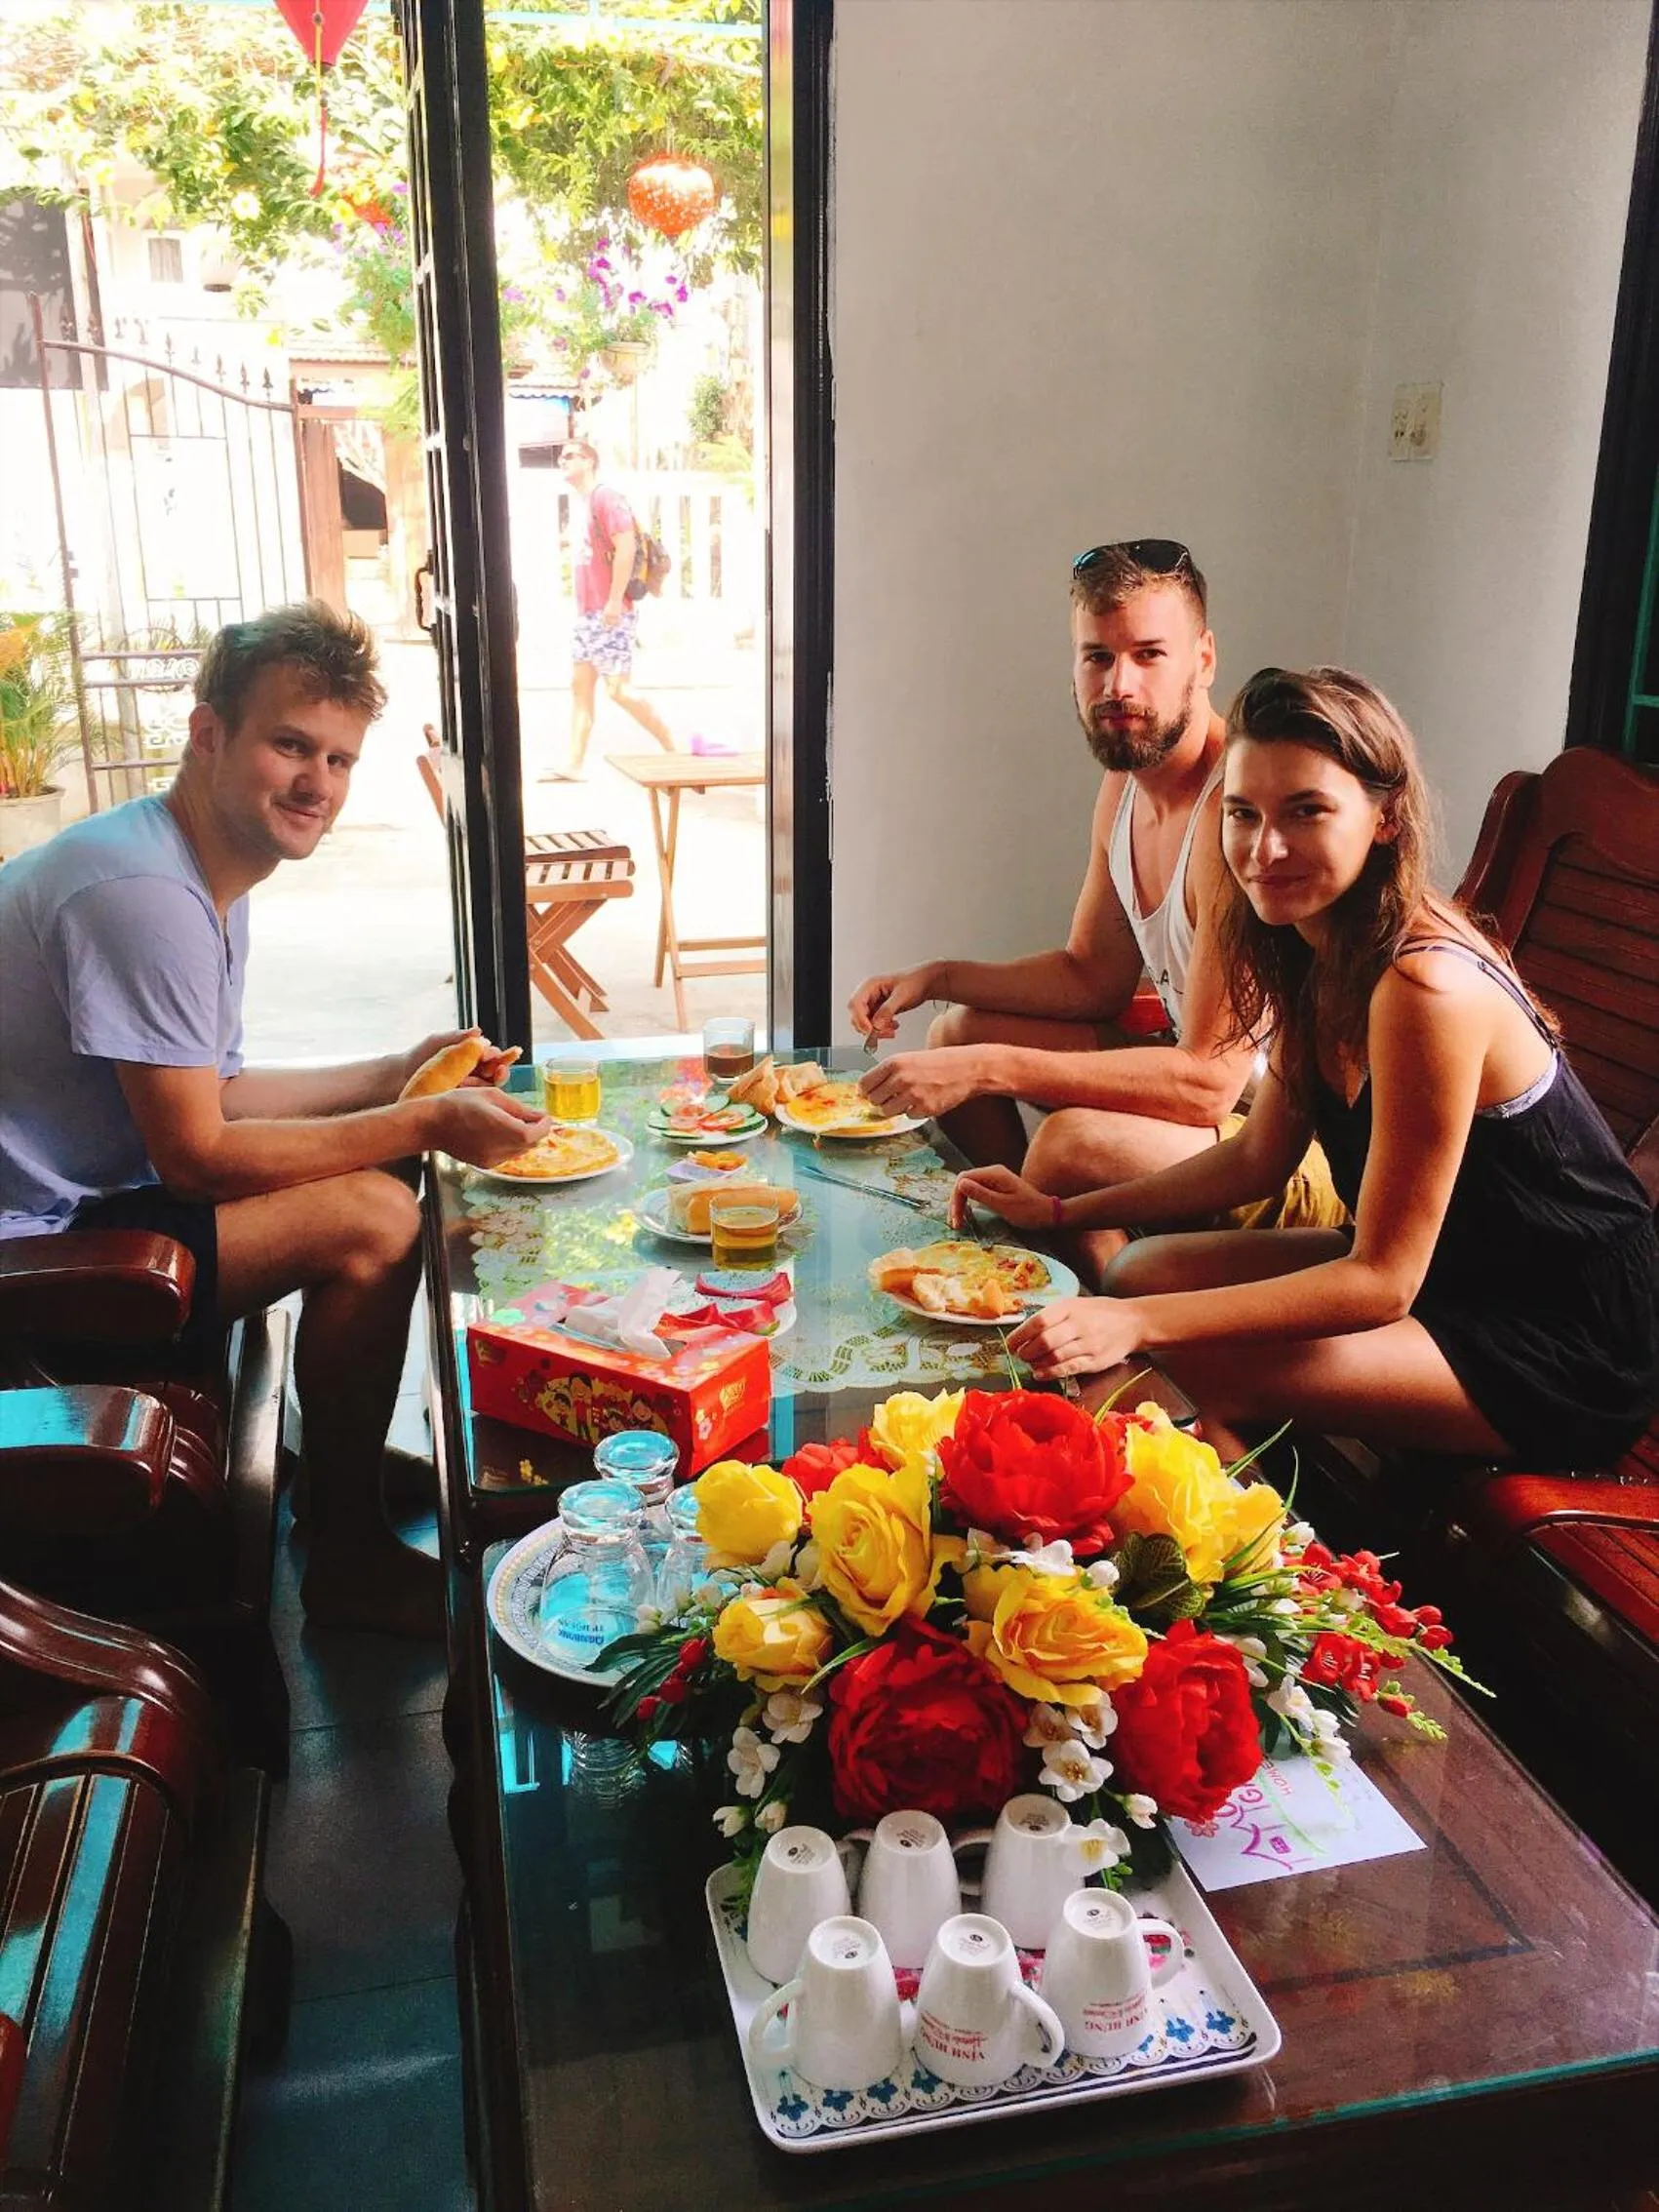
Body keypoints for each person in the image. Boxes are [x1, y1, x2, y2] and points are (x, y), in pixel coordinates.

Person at [0, 602, 552, 1637]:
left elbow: (218, 1093)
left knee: (381, 1185)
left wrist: (400, 1073)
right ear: (209, 735)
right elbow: (201, 1155)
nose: (318, 784)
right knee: (377, 1217)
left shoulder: (196, 865)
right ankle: (343, 1553)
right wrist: (421, 1123)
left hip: (81, 1194)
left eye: (339, 760)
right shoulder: (143, 895)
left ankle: (339, 1468)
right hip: (36, 1248)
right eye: (290, 745)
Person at [952, 666, 1659, 1469]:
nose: (1265, 849)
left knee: (1160, 1364)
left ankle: (1275, 1579)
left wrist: (1141, 1327)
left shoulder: (1423, 988)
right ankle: (1244, 1501)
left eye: (1306, 811)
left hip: (1554, 1337)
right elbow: (1258, 1156)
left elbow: (1380, 1282)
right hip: (1450, 1272)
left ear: (1385, 818)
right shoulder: (1308, 941)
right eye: (1242, 814)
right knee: (1137, 1269)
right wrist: (1057, 1212)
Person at [849, 539, 1342, 1267]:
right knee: (956, 1033)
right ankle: (1024, 1265)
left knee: (1069, 1141)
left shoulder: (1233, 812)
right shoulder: (1126, 785)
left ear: (1202, 660)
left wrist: (992, 1068)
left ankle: (1097, 1325)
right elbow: (1090, 976)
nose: (1119, 685)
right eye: (1096, 658)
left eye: (1148, 655)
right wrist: (939, 977)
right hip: (1206, 1097)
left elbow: (1207, 1085)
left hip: (1286, 1144)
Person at [553, 438, 675, 779]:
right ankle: (574, 763)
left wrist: (613, 601)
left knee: (619, 690)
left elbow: (626, 546)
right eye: (560, 457)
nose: (563, 461)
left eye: (571, 456)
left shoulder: (606, 498)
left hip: (608, 612)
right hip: (588, 614)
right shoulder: (583, 503)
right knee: (581, 688)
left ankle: (672, 746)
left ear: (589, 461)